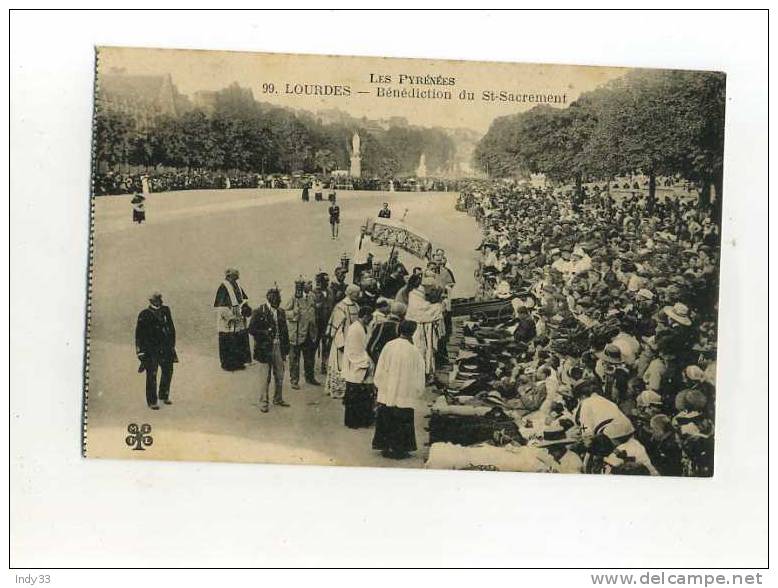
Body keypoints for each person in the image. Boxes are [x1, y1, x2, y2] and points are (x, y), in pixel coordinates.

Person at [372, 320, 426, 459]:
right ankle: (400, 449)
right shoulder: (414, 351)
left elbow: (381, 368)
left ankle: (385, 446)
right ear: (412, 333)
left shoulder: (389, 346)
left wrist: (382, 386)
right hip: (405, 393)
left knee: (386, 416)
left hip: (388, 390)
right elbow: (419, 375)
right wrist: (417, 391)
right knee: (402, 419)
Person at [248, 287, 290, 413]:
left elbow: (285, 332)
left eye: (279, 300)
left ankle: (278, 398)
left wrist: (285, 351)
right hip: (264, 349)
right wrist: (266, 333)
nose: (279, 302)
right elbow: (251, 330)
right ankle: (263, 402)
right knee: (265, 377)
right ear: (270, 299)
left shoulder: (281, 312)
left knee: (280, 375)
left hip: (278, 348)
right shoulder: (259, 311)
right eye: (276, 300)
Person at [135, 291, 177, 409]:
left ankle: (164, 396)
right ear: (151, 301)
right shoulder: (144, 314)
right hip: (151, 350)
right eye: (158, 299)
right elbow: (139, 335)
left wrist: (172, 344)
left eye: (160, 299)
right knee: (151, 375)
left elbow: (171, 328)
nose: (161, 301)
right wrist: (140, 352)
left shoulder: (166, 310)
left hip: (166, 348)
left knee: (168, 372)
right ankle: (152, 401)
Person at [324, 284, 361, 399]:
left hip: (353, 341)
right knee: (340, 365)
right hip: (343, 342)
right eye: (356, 293)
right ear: (350, 294)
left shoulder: (356, 305)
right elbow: (338, 327)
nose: (359, 295)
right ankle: (338, 390)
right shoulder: (341, 307)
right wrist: (341, 344)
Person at [342, 305, 375, 429]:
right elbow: (354, 350)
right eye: (369, 317)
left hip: (362, 362)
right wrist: (364, 362)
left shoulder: (362, 327)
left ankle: (362, 420)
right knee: (354, 395)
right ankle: (353, 422)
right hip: (356, 364)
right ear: (365, 316)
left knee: (362, 395)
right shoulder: (355, 329)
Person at [213, 268, 252, 371]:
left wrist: (245, 307)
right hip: (227, 320)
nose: (235, 280)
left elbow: (244, 299)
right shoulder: (223, 287)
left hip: (239, 318)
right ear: (228, 277)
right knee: (228, 340)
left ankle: (239, 362)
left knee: (239, 339)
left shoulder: (237, 286)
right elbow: (221, 307)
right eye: (234, 278)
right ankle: (228, 364)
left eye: (236, 278)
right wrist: (231, 317)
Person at [285, 279, 320, 389]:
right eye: (308, 284)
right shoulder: (293, 298)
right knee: (294, 358)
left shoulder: (312, 296)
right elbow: (286, 312)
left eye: (311, 283)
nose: (311, 285)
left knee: (310, 357)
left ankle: (310, 377)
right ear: (302, 286)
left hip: (310, 333)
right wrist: (294, 313)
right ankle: (294, 380)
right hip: (297, 333)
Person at [313, 272, 334, 375]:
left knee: (327, 345)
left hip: (327, 322)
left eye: (328, 280)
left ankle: (324, 365)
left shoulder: (330, 291)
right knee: (314, 345)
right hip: (317, 323)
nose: (327, 282)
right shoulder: (314, 292)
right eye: (325, 280)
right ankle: (311, 367)